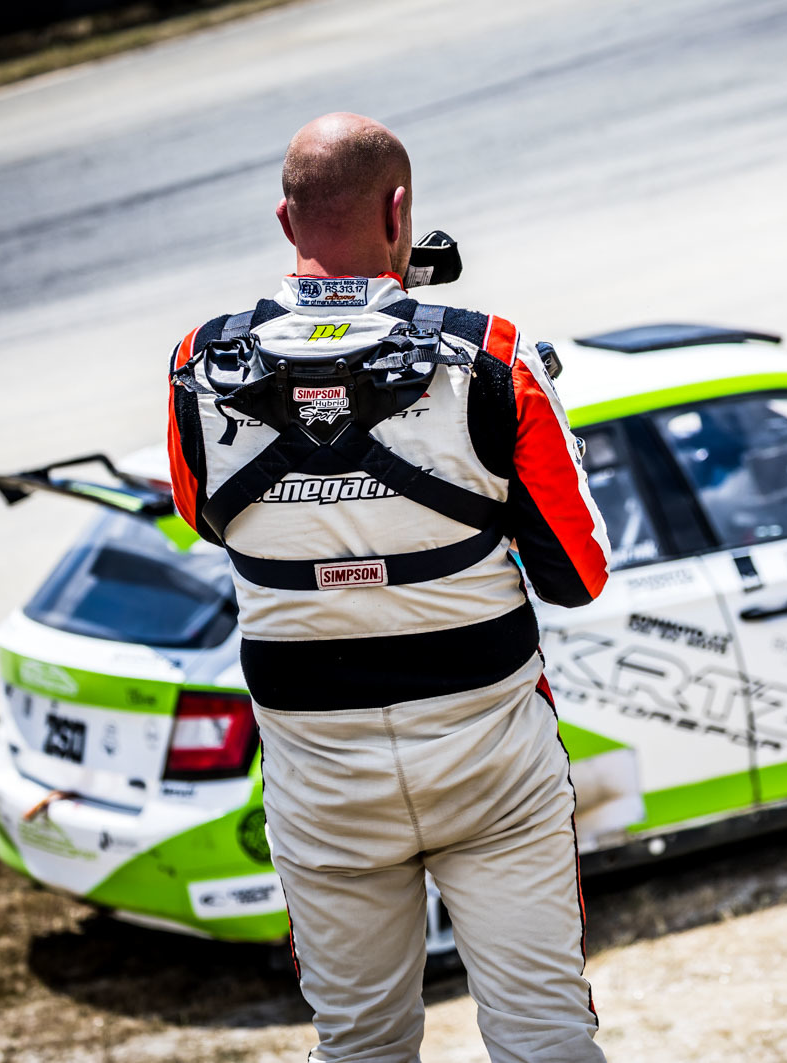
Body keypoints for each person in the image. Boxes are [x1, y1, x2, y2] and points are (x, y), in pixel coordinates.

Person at [165, 112, 611, 1063]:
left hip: (319, 778)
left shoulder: (197, 367)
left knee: (360, 1044)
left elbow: (205, 517)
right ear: (400, 211)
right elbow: (579, 575)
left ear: (286, 221)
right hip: (491, 764)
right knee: (543, 1033)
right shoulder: (491, 357)